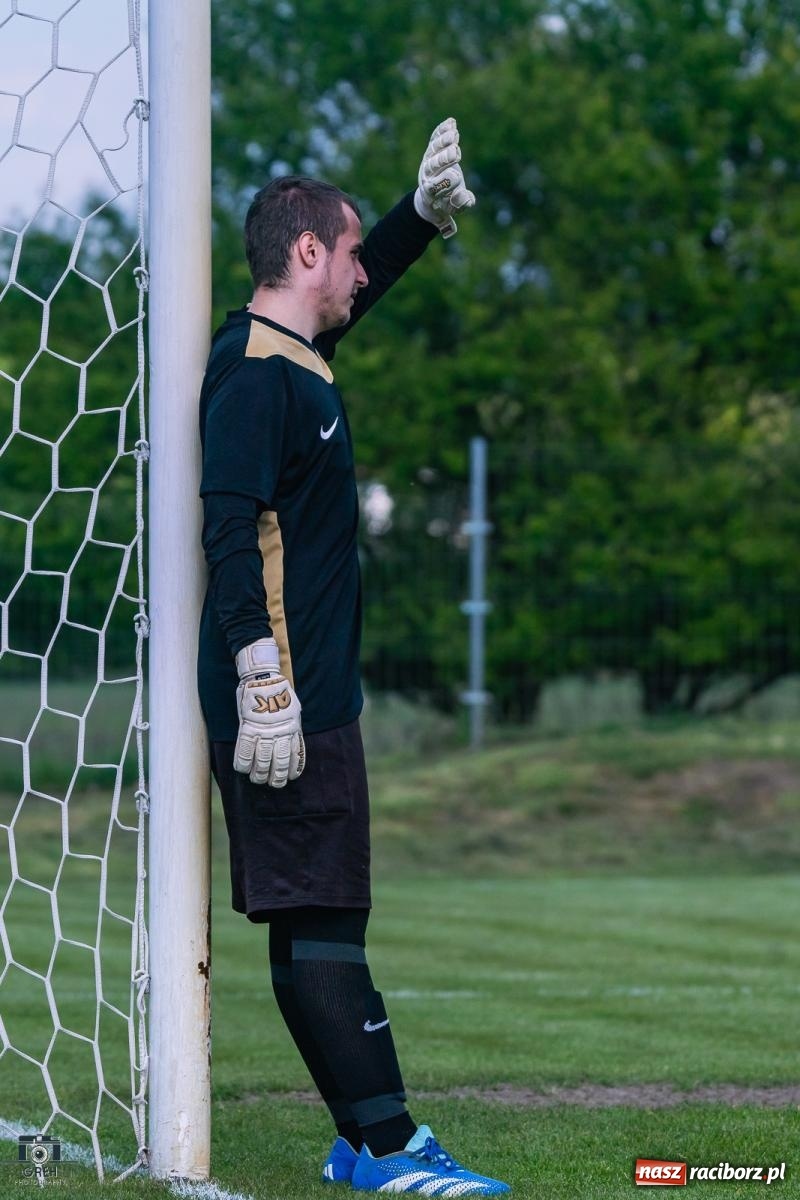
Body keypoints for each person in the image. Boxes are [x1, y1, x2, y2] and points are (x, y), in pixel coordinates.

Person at [197, 118, 509, 1195]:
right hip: (279, 694)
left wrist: (415, 222)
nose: (361, 270)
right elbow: (227, 532)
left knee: (322, 908)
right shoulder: (250, 372)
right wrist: (258, 676)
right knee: (320, 916)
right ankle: (385, 1148)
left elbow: (360, 291)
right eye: (351, 249)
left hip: (311, 688)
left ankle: (358, 1136)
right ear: (303, 254)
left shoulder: (291, 355)